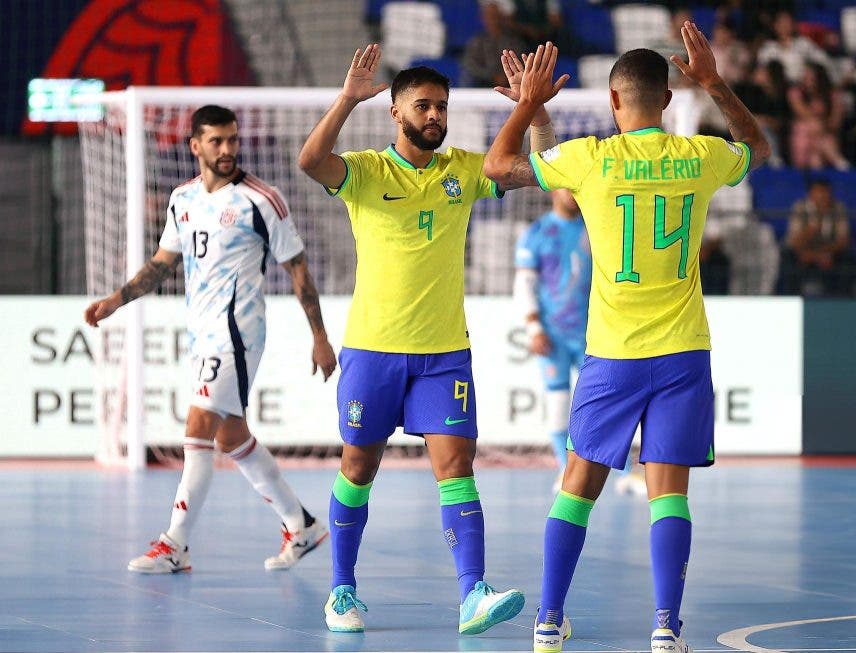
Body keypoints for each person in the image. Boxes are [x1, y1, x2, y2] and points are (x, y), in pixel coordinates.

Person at [484, 27, 770, 653]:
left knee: (578, 485)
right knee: (669, 493)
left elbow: (497, 170)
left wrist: (530, 105)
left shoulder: (591, 158)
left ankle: (548, 620)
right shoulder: (699, 156)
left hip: (612, 354)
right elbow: (758, 145)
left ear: (613, 103)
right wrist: (715, 82)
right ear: (668, 100)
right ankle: (666, 626)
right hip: (682, 352)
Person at [297, 44, 557, 635]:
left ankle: (473, 594)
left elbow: (545, 170)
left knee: (457, 466)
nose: (435, 116)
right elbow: (311, 161)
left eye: (442, 107)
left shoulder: (465, 169)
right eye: (424, 106)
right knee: (359, 467)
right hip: (373, 350)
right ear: (395, 112)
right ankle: (341, 591)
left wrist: (535, 113)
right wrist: (345, 99)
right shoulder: (364, 171)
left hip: (443, 354)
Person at [84, 105, 336, 574]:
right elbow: (163, 264)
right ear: (195, 146)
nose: (226, 150)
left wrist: (319, 337)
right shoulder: (182, 199)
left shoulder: (262, 200)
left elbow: (298, 267)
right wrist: (115, 301)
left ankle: (175, 544)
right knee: (231, 436)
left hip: (238, 333)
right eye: (216, 141)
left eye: (232, 140)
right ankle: (301, 524)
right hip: (201, 333)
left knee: (197, 425)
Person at [513, 190, 646, 494]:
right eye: (564, 186)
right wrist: (534, 328)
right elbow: (524, 284)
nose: (571, 193)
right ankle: (564, 469)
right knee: (558, 404)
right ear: (552, 190)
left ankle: (626, 472)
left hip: (596, 335)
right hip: (554, 337)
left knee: (606, 404)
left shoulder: (597, 228)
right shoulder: (536, 234)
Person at [779, 178, 853, 296]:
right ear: (810, 195)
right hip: (803, 254)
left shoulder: (838, 208)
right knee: (788, 259)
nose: (822, 198)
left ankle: (840, 302)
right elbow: (794, 242)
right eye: (818, 194)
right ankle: (790, 298)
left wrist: (824, 254)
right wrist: (815, 226)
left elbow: (843, 240)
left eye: (825, 194)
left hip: (829, 253)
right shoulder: (799, 208)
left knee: (847, 262)